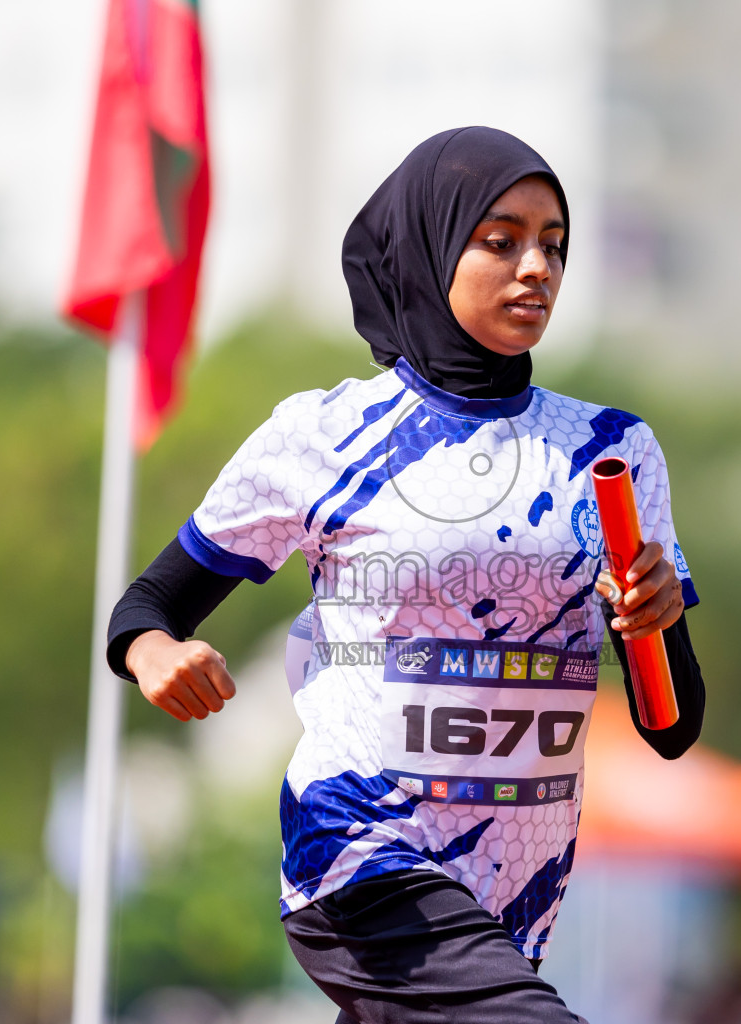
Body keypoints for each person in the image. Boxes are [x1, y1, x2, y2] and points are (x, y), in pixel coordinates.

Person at [107, 127, 706, 1024]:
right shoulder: (325, 436)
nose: (536, 266)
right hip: (357, 854)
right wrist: (152, 652)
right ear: (430, 246)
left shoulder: (610, 451)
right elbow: (148, 605)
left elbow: (673, 726)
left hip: (513, 895)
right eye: (500, 240)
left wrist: (650, 623)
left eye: (554, 244)